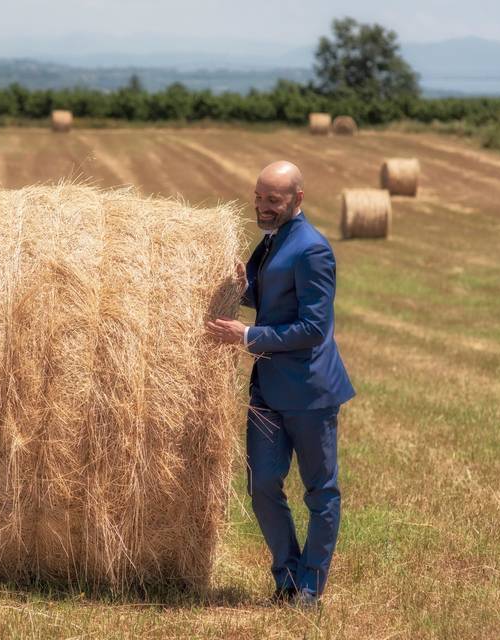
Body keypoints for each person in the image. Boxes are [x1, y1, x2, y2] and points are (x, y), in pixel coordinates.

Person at [206, 161, 354, 607]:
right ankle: (287, 574)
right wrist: (240, 283)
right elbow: (264, 294)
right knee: (263, 483)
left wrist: (247, 336)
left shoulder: (312, 250)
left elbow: (312, 326)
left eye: (274, 199)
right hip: (268, 390)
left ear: (297, 200)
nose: (263, 206)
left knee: (320, 491)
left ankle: (308, 588)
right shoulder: (271, 240)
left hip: (309, 391)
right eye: (259, 196)